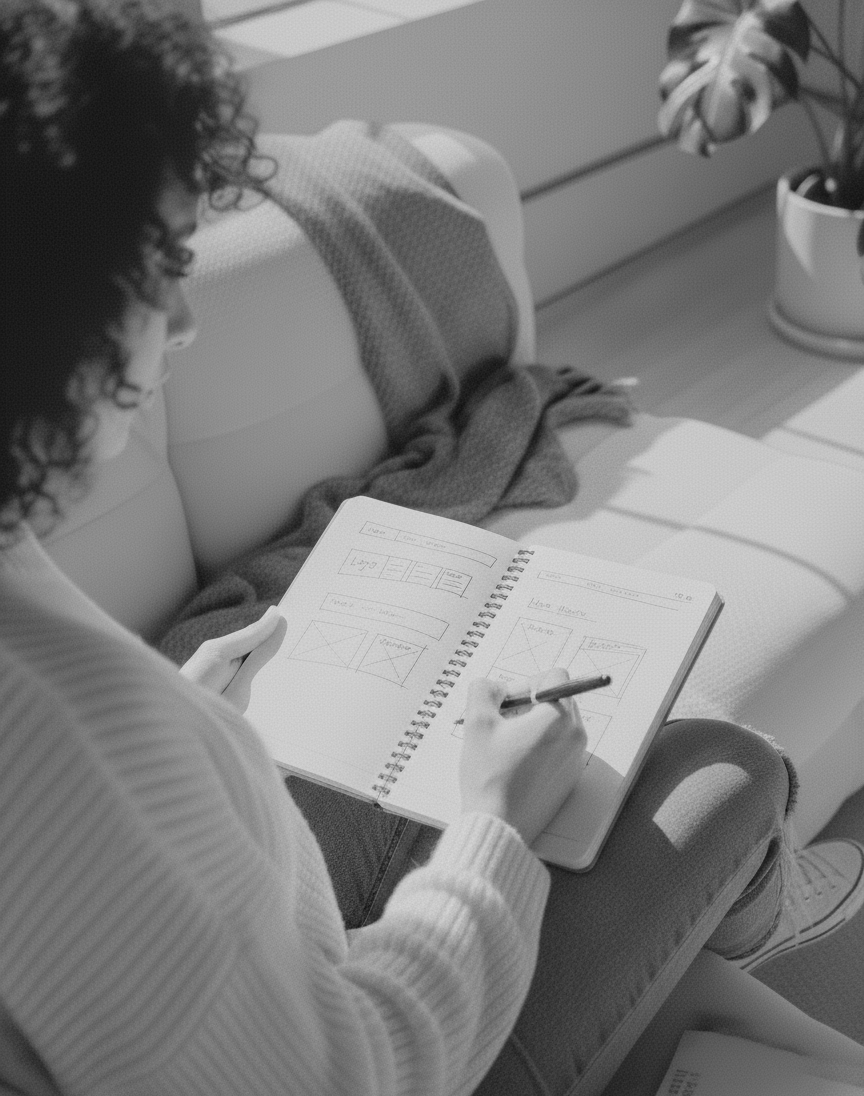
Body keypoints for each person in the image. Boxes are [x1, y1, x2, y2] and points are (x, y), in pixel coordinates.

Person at [1, 3, 862, 1094]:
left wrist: (188, 712)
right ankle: (796, 943)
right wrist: (495, 825)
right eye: (155, 265)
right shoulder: (65, 741)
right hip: (381, 1046)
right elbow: (354, 1073)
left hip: (235, 957)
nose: (180, 319)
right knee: (719, 773)